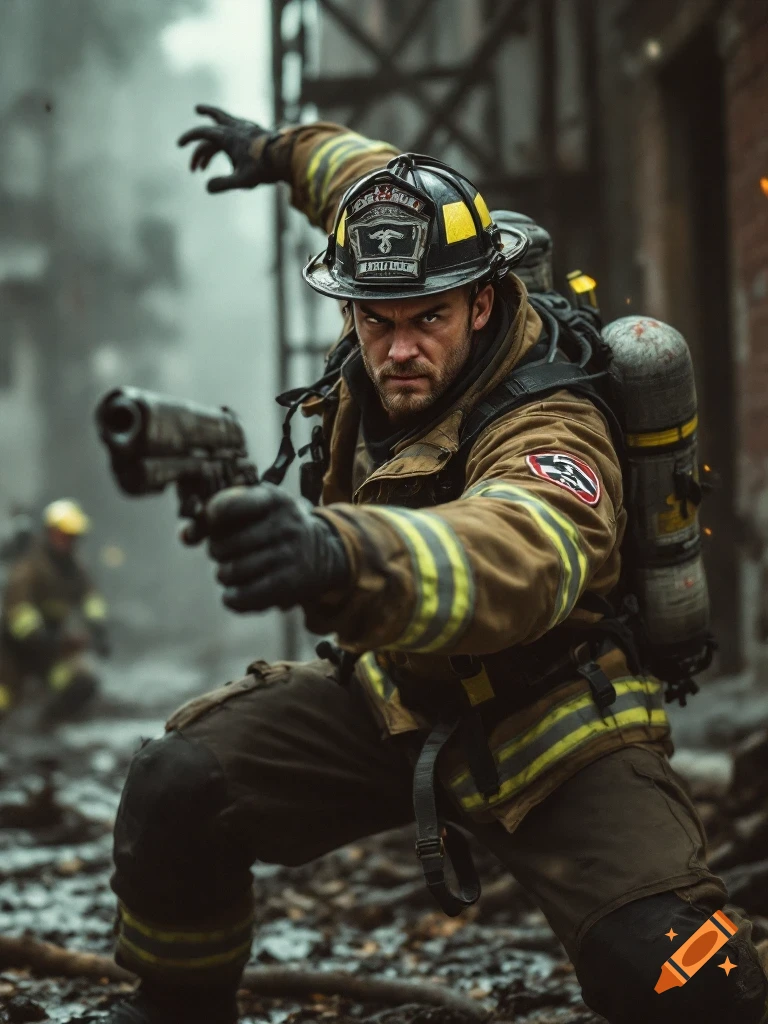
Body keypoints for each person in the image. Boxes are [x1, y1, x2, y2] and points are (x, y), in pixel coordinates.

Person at [95, 108, 767, 1024]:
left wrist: (340, 554)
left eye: (428, 319)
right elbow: (360, 171)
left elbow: (522, 550)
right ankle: (176, 1011)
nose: (399, 349)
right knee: (179, 783)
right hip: (396, 700)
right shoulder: (398, 264)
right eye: (375, 322)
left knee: (677, 976)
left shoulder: (551, 417)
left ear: (482, 302)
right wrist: (274, 151)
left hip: (555, 724)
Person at [0, 498, 109, 723]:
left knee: (81, 682)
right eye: (64, 534)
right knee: (4, 698)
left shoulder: (74, 568)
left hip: (49, 652)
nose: (68, 541)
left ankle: (46, 725)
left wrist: (98, 629)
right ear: (50, 532)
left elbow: (90, 599)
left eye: (73, 536)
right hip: (13, 651)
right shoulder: (29, 567)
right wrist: (50, 640)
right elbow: (19, 616)